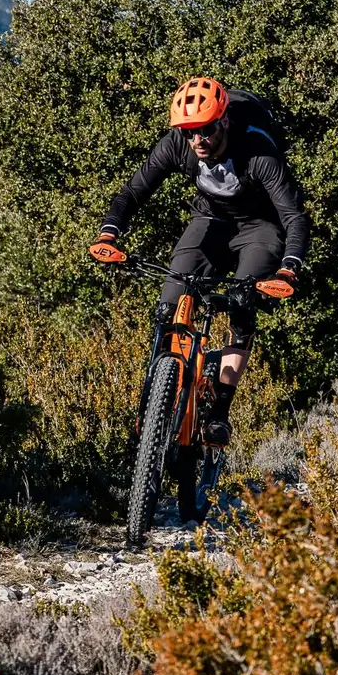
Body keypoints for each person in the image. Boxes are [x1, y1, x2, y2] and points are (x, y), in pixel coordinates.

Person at [89, 77, 309, 446]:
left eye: (205, 129)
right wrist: (109, 233)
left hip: (262, 225)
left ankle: (220, 412)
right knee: (170, 301)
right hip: (210, 220)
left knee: (241, 304)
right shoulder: (178, 144)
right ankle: (158, 400)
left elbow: (294, 217)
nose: (197, 140)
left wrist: (289, 267)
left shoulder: (257, 150)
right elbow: (133, 192)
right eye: (189, 131)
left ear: (223, 120)